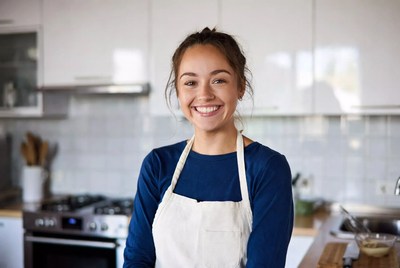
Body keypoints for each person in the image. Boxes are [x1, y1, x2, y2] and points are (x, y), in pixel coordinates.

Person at [123, 27, 293, 268]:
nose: (204, 94)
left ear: (241, 87)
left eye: (219, 80)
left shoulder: (267, 169)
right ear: (178, 92)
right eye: (191, 82)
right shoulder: (157, 165)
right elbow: (137, 259)